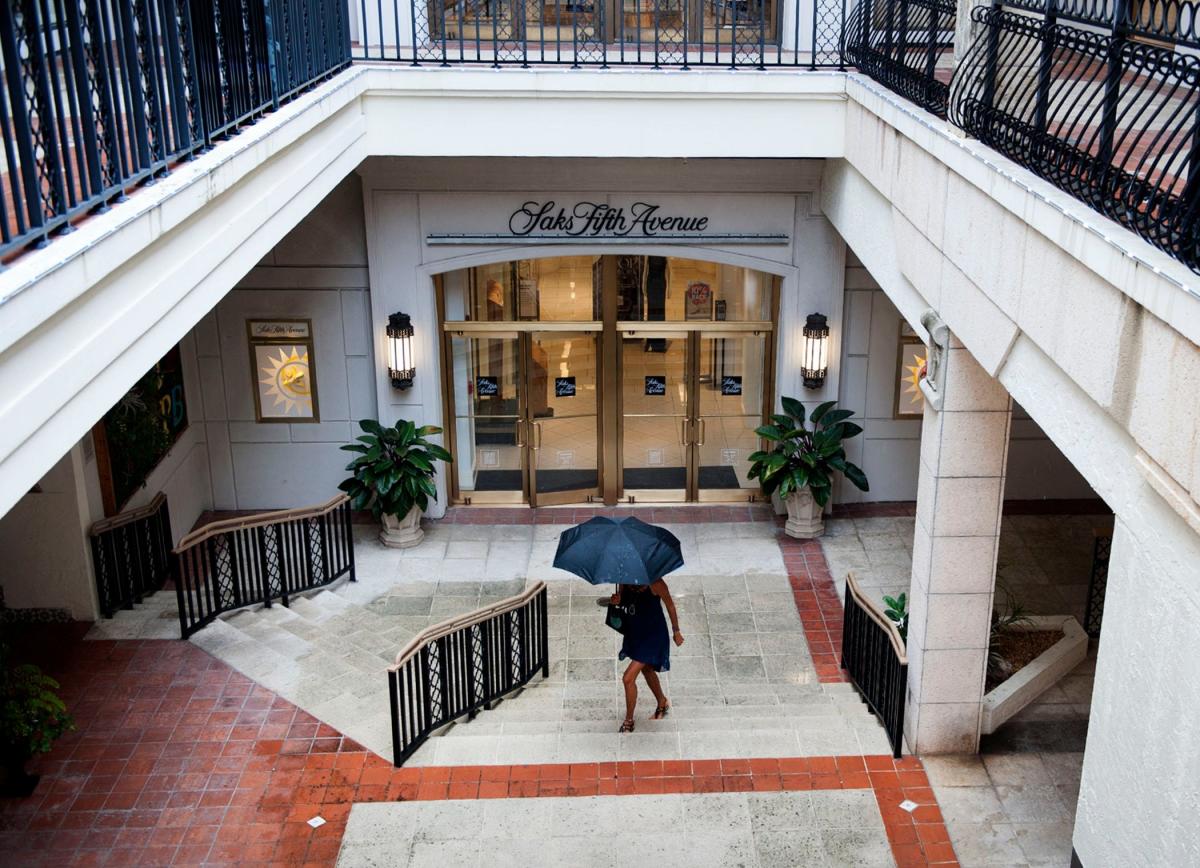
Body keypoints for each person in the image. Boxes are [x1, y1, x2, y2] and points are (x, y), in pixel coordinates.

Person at [611, 579, 683, 732]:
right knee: (647, 669)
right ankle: (662, 702)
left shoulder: (655, 582)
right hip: (636, 633)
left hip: (653, 635)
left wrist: (676, 631)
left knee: (628, 678)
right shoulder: (624, 581)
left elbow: (669, 604)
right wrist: (616, 601)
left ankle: (629, 721)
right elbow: (625, 603)